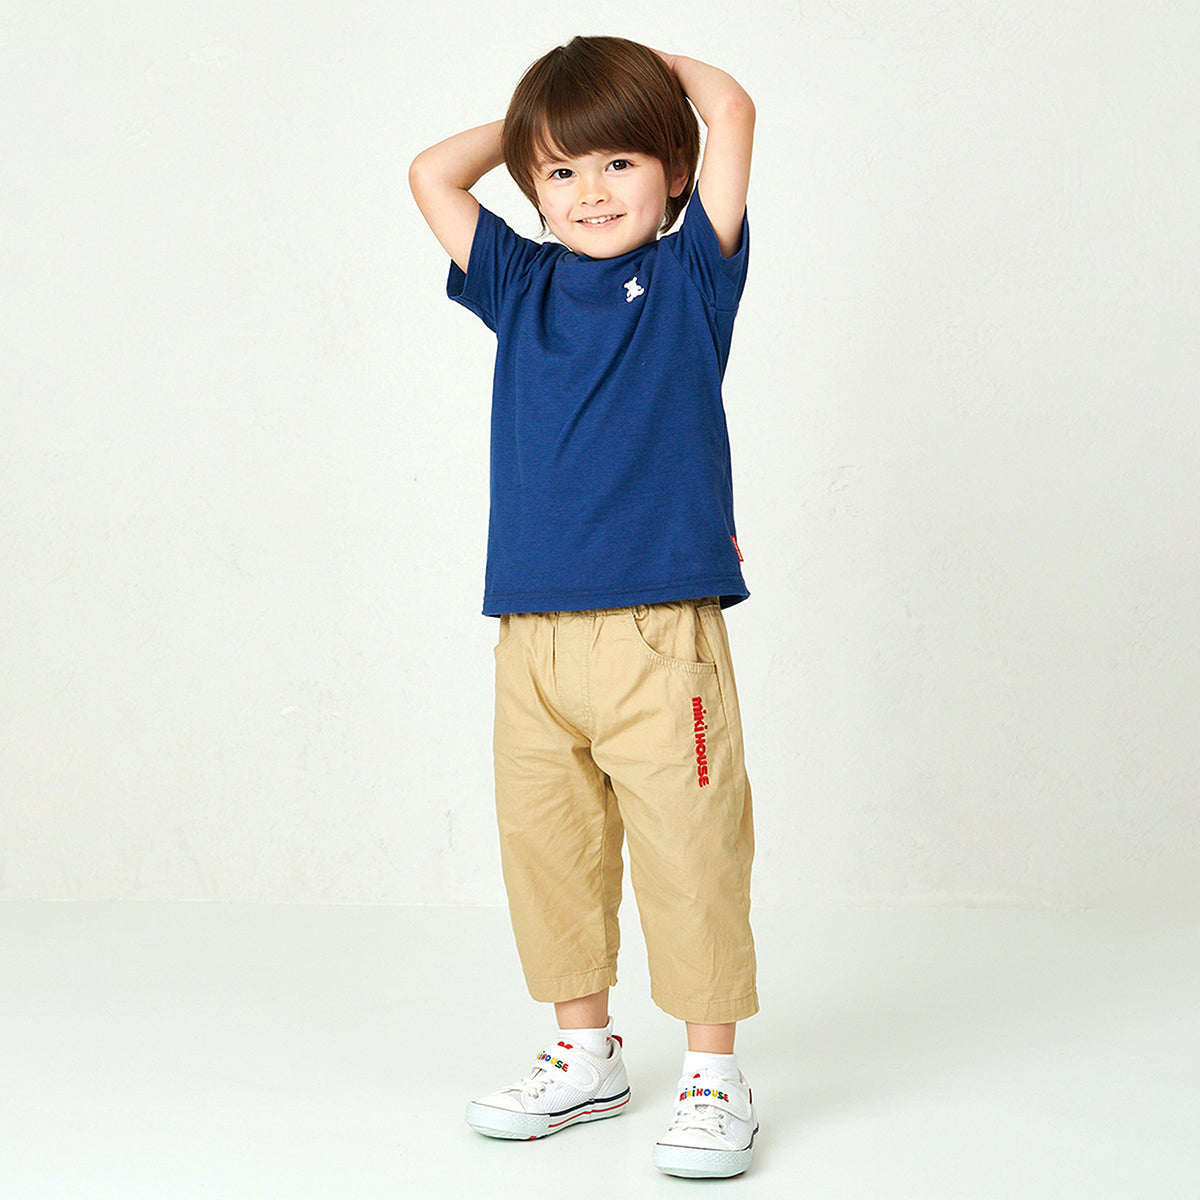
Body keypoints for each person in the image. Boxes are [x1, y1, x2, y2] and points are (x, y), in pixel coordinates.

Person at [409, 35, 758, 1179]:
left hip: (660, 633)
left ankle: (713, 1074)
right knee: (548, 847)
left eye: (619, 161)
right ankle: (584, 1053)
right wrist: (537, 125)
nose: (591, 191)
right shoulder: (519, 284)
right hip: (533, 633)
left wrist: (654, 67)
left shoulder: (691, 276)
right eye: (561, 171)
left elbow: (731, 109)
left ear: (672, 170)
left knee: (691, 852)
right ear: (532, 183)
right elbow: (431, 173)